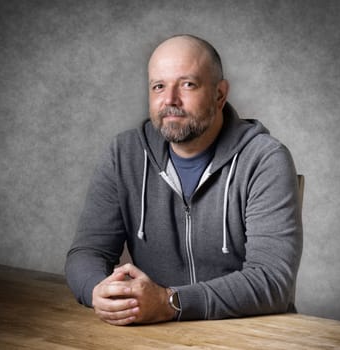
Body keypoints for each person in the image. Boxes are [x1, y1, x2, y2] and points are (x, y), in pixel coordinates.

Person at [65, 34, 302, 326]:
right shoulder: (124, 155)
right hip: (154, 333)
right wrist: (97, 291)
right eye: (158, 86)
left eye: (188, 84)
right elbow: (88, 252)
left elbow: (272, 281)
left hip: (249, 333)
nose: (170, 100)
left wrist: (170, 302)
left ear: (219, 94)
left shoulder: (264, 159)